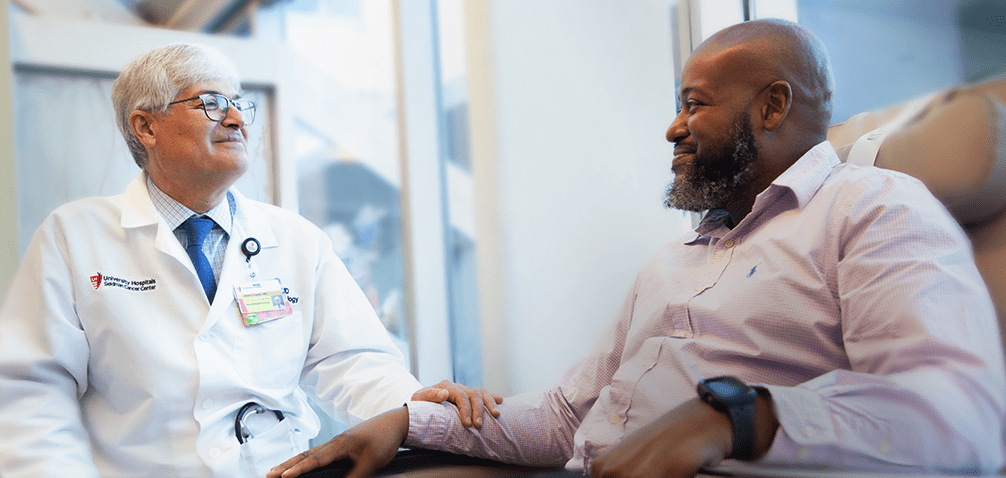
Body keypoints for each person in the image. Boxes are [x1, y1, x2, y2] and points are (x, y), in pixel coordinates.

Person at [269, 18, 1006, 478]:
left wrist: (735, 418)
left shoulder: (875, 208)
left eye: (694, 104)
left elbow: (959, 421)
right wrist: (405, 421)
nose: (672, 128)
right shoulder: (676, 260)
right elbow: (563, 418)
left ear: (772, 105)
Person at [0, 43, 500, 478]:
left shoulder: (296, 239)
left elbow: (352, 362)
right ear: (146, 127)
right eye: (212, 103)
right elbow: (31, 396)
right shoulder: (74, 237)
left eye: (239, 104)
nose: (237, 119)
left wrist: (417, 410)